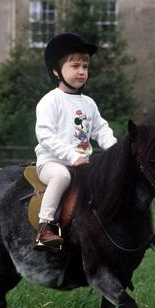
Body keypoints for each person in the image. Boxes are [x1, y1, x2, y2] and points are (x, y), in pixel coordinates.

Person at [34, 32, 117, 250]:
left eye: (85, 67)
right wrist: (72, 157)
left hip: (82, 164)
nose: (81, 71)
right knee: (61, 177)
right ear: (56, 71)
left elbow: (101, 130)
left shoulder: (89, 103)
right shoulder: (50, 101)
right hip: (52, 163)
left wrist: (117, 152)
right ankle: (44, 228)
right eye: (75, 66)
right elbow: (45, 135)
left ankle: (125, 227)